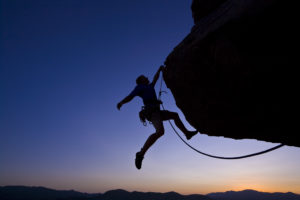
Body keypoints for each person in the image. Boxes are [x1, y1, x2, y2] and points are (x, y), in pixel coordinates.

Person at [117, 65, 198, 169]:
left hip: (157, 112)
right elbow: (130, 96)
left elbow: (155, 78)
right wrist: (122, 102)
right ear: (141, 81)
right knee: (160, 132)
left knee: (174, 115)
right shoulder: (139, 87)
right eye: (144, 77)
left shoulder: (150, 86)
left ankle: (187, 133)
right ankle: (140, 154)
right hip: (152, 113)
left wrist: (159, 70)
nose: (146, 77)